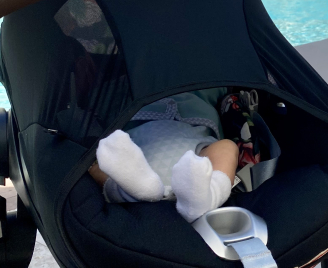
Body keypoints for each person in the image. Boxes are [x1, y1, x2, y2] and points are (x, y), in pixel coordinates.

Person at [89, 91, 240, 223]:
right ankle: (133, 191)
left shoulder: (205, 83)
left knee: (227, 147)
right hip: (132, 154)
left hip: (196, 152)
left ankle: (207, 197)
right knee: (100, 160)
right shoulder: (122, 83)